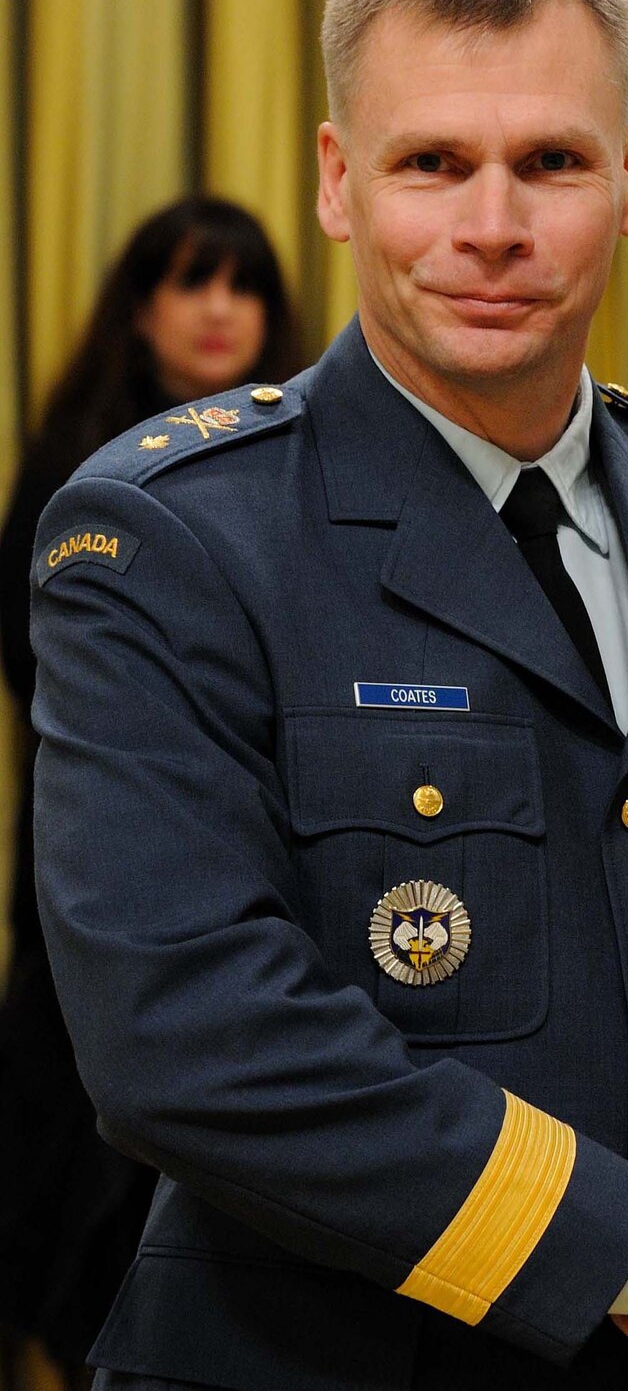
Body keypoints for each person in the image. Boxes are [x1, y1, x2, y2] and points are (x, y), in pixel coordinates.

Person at [30, 0, 628, 1391]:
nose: (493, 223)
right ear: (341, 182)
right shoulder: (169, 534)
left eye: (551, 160)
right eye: (434, 162)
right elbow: (191, 1041)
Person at [0, 196, 292, 1383]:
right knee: (81, 1242)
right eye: (189, 282)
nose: (220, 310)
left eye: (243, 284)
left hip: (271, 899)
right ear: (140, 308)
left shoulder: (304, 463)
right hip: (95, 898)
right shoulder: (73, 480)